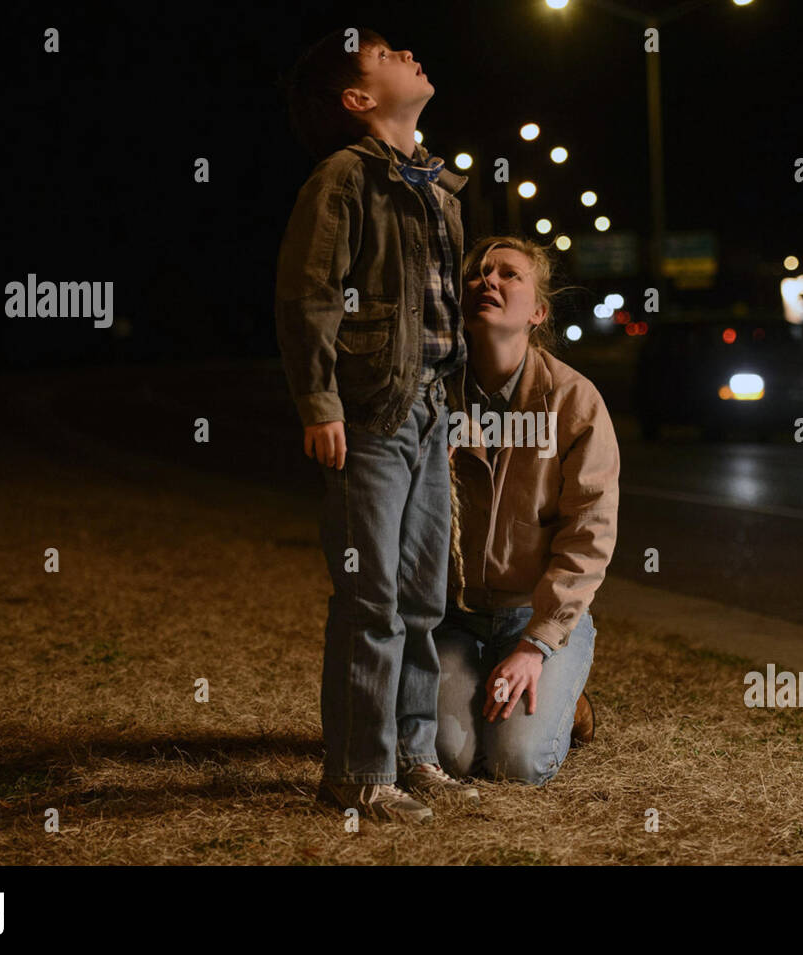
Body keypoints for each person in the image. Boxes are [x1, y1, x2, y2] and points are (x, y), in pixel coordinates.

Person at [274, 28, 479, 822]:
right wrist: (320, 403)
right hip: (370, 414)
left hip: (427, 407)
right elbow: (309, 295)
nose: (411, 57)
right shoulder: (343, 180)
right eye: (389, 55)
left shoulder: (436, 187)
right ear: (358, 99)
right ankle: (358, 772)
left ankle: (414, 750)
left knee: (425, 593)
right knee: (372, 597)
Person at [435, 236, 620, 785]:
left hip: (532, 615)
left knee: (518, 766)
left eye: (509, 275)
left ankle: (571, 695)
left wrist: (538, 643)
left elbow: (591, 530)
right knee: (451, 760)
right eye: (478, 273)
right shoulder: (432, 395)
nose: (488, 281)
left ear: (538, 311)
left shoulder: (573, 400)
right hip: (455, 616)